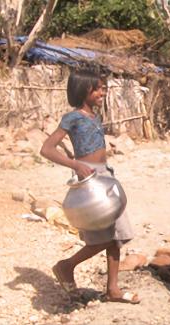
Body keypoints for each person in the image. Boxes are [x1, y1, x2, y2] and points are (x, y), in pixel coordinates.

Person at [40, 69, 139, 304]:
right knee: (102, 238)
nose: (102, 92)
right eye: (98, 89)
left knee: (117, 237)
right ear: (84, 89)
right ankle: (66, 266)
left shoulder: (95, 116)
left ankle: (112, 289)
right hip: (89, 183)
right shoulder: (72, 118)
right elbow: (46, 149)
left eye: (103, 88)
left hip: (105, 177)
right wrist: (75, 164)